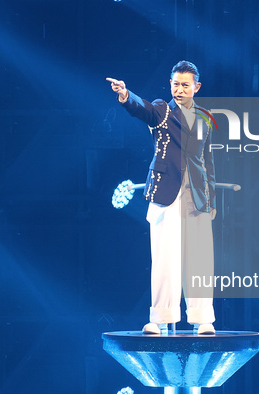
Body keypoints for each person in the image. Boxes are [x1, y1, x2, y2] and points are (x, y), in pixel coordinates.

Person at [106, 60, 216, 335]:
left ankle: (203, 319)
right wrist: (125, 95)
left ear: (196, 87)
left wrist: (211, 199)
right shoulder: (163, 111)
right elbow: (143, 110)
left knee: (200, 259)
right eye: (175, 84)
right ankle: (161, 317)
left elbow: (208, 160)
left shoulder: (205, 118)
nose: (179, 89)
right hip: (167, 191)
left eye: (185, 85)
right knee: (165, 258)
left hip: (197, 196)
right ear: (170, 84)